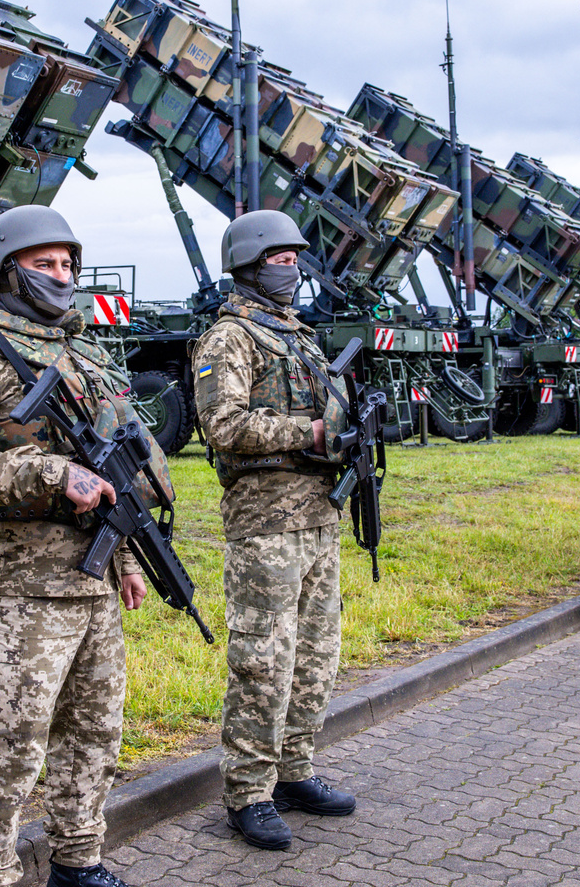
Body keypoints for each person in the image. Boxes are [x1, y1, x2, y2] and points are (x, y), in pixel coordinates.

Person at [0, 205, 161, 887]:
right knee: (7, 745)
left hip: (90, 583)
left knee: (93, 734)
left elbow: (111, 469)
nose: (60, 277)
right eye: (43, 264)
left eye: (67, 265)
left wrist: (121, 558)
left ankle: (77, 859)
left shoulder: (80, 352)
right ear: (6, 269)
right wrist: (54, 473)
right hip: (22, 589)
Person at [191, 209, 352, 851]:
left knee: (315, 655)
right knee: (263, 659)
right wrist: (306, 433)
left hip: (317, 518)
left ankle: (294, 770)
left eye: (295, 258)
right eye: (281, 259)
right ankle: (249, 792)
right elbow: (224, 426)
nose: (293, 269)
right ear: (252, 264)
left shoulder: (300, 336)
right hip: (265, 526)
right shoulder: (229, 338)